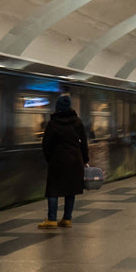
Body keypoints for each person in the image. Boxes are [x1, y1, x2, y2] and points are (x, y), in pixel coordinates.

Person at [39, 94, 88, 230]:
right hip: (75, 161)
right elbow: (84, 143)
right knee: (70, 190)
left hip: (57, 161)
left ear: (57, 108)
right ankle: (67, 218)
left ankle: (52, 219)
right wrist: (85, 159)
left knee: (53, 190)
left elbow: (46, 144)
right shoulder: (78, 122)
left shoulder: (53, 123)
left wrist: (49, 159)